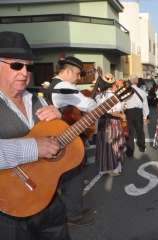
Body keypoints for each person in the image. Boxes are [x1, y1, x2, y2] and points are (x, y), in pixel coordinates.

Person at [0, 31, 70, 239]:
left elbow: (58, 143)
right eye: (16, 65)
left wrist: (60, 122)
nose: (24, 73)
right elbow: (39, 146)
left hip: (48, 203)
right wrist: (34, 147)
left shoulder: (37, 99)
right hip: (8, 213)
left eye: (29, 67)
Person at [44, 56, 97, 226]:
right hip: (68, 139)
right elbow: (89, 105)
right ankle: (74, 215)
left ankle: (70, 211)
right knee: (75, 176)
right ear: (66, 71)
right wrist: (94, 98)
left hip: (57, 139)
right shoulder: (63, 86)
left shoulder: (51, 85)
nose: (79, 78)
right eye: (77, 74)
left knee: (65, 178)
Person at [95, 77, 127, 176]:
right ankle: (114, 168)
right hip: (113, 122)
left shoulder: (98, 96)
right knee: (114, 144)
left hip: (102, 122)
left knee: (103, 145)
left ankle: (103, 169)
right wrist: (122, 115)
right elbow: (115, 111)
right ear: (112, 84)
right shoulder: (114, 96)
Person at [124, 75, 149, 157]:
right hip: (138, 112)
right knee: (139, 130)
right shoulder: (142, 92)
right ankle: (142, 147)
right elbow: (145, 105)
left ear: (130, 81)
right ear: (137, 81)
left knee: (130, 132)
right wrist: (145, 116)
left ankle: (130, 151)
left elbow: (122, 103)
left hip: (128, 112)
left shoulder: (125, 91)